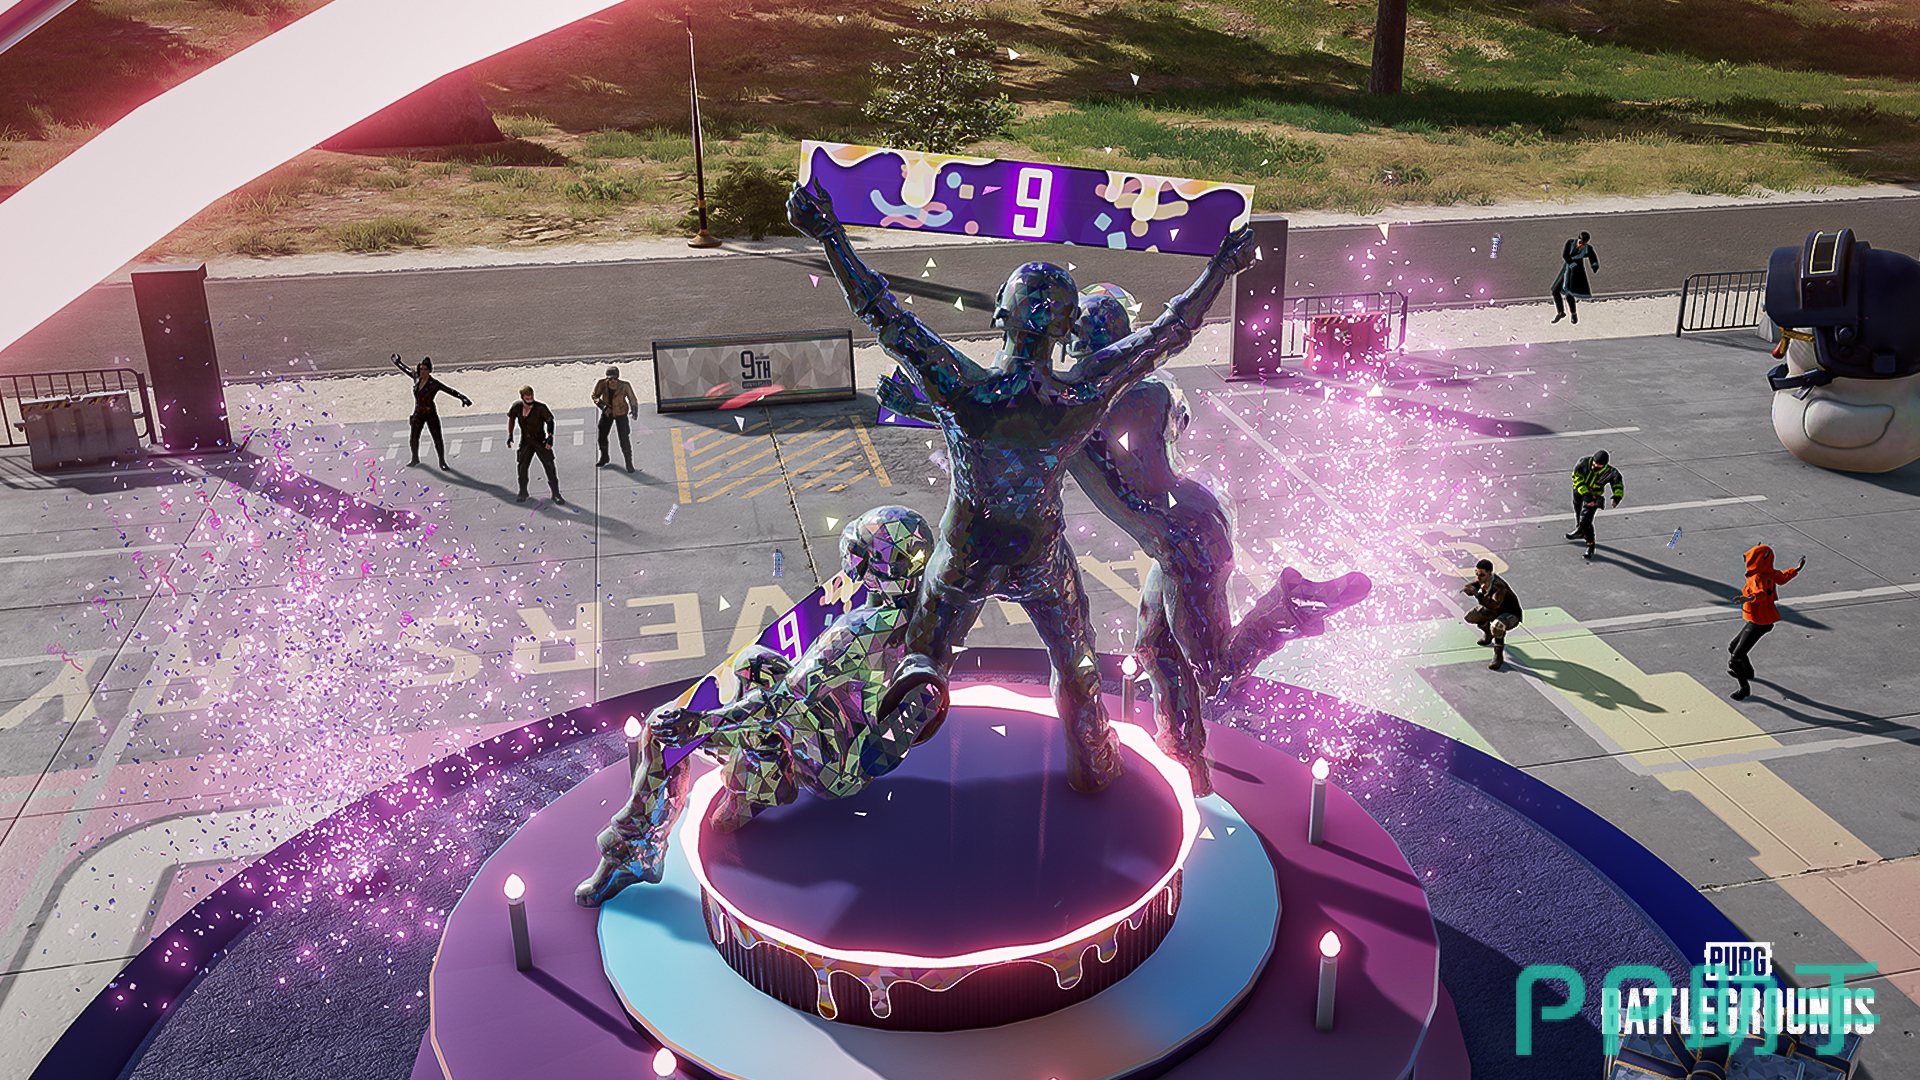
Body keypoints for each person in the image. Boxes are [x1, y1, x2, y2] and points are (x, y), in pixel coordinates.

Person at [790, 178, 1256, 794]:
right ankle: (1093, 760)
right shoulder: (1079, 397)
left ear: (999, 317)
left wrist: (829, 234)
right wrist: (1222, 267)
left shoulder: (965, 389)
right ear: (1064, 332)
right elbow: (1168, 333)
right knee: (1075, 663)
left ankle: (922, 676)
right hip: (1039, 553)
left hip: (967, 550)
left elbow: (883, 314)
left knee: (928, 643)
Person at [880, 292, 1372, 795]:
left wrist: (916, 405)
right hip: (1199, 516)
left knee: (1214, 671)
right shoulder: (1155, 389)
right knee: (1156, 650)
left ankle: (1289, 607)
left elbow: (1004, 427)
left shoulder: (1080, 413)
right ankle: (1185, 757)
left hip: (1180, 546)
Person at [575, 507, 944, 905]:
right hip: (849, 745)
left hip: (830, 763)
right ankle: (755, 785)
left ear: (869, 564)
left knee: (661, 730)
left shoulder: (855, 633)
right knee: (755, 662)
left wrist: (700, 722)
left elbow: (783, 701)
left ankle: (634, 853)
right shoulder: (925, 615)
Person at [1729, 544, 1804, 700]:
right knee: (1733, 647)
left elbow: (1761, 594)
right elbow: (1783, 578)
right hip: (1763, 618)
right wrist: (1797, 569)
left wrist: (1748, 598)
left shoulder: (1757, 578)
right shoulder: (1770, 573)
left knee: (1735, 659)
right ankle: (1748, 672)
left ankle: (1744, 688)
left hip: (1758, 621)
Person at [392, 354, 471, 468]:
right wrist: (397, 362)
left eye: (425, 369)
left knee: (437, 439)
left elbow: (449, 390)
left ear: (429, 371)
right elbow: (406, 369)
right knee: (413, 438)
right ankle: (415, 458)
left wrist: (462, 397)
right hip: (418, 413)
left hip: (430, 414)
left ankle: (442, 462)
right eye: (421, 369)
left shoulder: (434, 384)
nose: (422, 371)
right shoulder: (417, 378)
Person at [504, 385, 563, 505]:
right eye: (527, 399)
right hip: (526, 440)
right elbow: (511, 418)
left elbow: (550, 421)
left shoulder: (540, 408)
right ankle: (523, 491)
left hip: (540, 440)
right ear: (522, 398)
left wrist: (550, 437)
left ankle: (556, 494)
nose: (530, 401)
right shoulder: (517, 407)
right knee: (522, 466)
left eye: (531, 398)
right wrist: (510, 435)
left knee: (549, 465)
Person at [1461, 559, 1521, 670]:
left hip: (1509, 614)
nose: (1478, 577)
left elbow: (1494, 604)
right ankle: (1488, 634)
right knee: (1470, 616)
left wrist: (1477, 594)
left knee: (1497, 626)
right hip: (1493, 610)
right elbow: (1472, 585)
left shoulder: (1499, 586)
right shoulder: (1482, 579)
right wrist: (1468, 589)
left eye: (1481, 574)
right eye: (1476, 573)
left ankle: (1498, 655)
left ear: (1489, 573)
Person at [1566, 449, 1625, 558]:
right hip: (1579, 491)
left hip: (1595, 496)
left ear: (1604, 465)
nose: (1595, 468)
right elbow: (1577, 478)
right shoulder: (1583, 462)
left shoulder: (1611, 472)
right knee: (1578, 512)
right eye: (1594, 464)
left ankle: (1590, 545)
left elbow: (1618, 484)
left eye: (1599, 466)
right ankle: (1580, 530)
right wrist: (1585, 494)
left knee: (1586, 520)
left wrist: (1617, 496)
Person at [591, 365, 640, 472]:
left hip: (621, 414)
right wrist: (603, 406)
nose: (613, 381)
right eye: (610, 378)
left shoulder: (625, 385)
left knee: (624, 438)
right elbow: (595, 396)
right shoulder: (601, 384)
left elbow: (632, 398)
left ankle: (628, 462)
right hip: (607, 414)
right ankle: (604, 456)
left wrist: (634, 410)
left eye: (615, 378)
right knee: (602, 435)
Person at [1551, 231, 1598, 324]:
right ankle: (1560, 312)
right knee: (1555, 291)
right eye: (1580, 242)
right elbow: (1565, 255)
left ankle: (1573, 314)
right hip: (1568, 269)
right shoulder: (1570, 243)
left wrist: (1594, 264)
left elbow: (1592, 256)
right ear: (1578, 239)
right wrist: (1571, 263)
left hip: (1577, 272)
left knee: (1569, 293)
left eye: (1583, 244)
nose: (1581, 245)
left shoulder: (1587, 249)